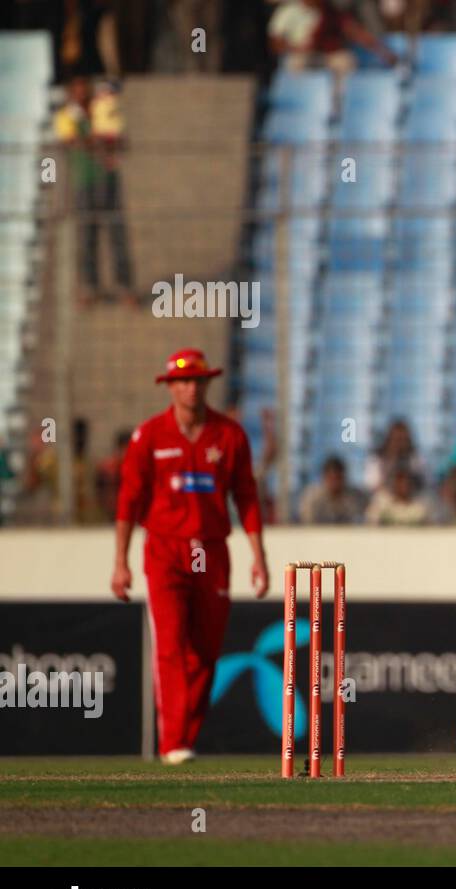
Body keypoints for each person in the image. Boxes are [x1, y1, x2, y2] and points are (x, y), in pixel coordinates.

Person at [112, 348, 269, 765]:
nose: (190, 388)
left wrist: (259, 557)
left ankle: (184, 738)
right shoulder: (149, 436)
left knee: (205, 648)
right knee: (170, 643)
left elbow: (247, 498)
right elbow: (128, 501)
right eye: (182, 381)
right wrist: (120, 562)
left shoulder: (230, 436)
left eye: (197, 380)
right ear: (170, 387)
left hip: (212, 551)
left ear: (207, 384)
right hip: (165, 549)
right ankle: (173, 742)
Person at [55, 76, 136, 306]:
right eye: (76, 88)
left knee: (117, 234)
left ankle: (125, 286)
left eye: (84, 87)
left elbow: (122, 141)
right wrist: (97, 142)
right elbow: (69, 142)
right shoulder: (66, 116)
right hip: (84, 180)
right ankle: (90, 288)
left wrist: (109, 141)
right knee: (87, 235)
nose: (82, 92)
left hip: (109, 179)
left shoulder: (103, 110)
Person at [268, 0, 398, 74]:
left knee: (345, 61)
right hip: (300, 55)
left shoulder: (330, 11)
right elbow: (275, 43)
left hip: (326, 55)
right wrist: (296, 48)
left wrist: (384, 53)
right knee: (295, 63)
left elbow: (356, 33)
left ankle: (339, 106)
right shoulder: (288, 10)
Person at [297, 455, 366, 524]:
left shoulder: (355, 497)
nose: (335, 483)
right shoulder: (312, 497)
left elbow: (361, 521)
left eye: (338, 478)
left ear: (344, 477)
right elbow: (306, 522)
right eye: (331, 478)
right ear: (324, 477)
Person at [364, 466, 434, 525]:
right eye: (400, 482)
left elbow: (429, 527)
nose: (404, 486)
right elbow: (370, 522)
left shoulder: (420, 508)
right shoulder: (381, 501)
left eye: (407, 482)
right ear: (394, 483)